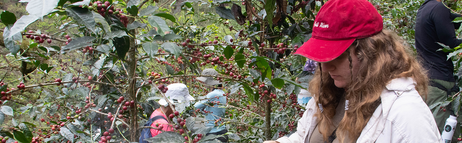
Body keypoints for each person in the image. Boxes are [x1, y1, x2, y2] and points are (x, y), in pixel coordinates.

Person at [264, 0, 441, 142]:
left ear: (371, 52)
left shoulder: (405, 115)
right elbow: (305, 136)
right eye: (323, 57)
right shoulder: (331, 91)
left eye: (337, 56)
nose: (326, 67)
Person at [415, 0, 462, 141]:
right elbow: (451, 43)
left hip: (427, 78)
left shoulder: (425, 9)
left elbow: (453, 20)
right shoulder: (438, 8)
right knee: (440, 136)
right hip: (439, 82)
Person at [194, 68, 228, 142]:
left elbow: (195, 106)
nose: (204, 83)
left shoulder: (213, 94)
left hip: (213, 134)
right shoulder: (222, 93)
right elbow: (213, 111)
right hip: (222, 132)